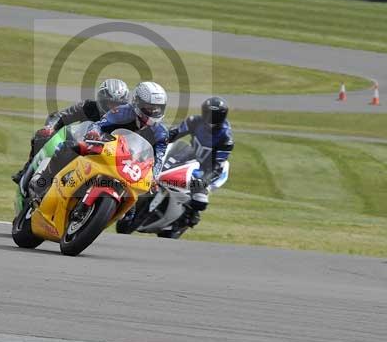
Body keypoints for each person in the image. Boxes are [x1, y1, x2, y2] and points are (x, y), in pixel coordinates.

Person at [28, 81, 170, 201]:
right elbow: (99, 124)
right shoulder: (123, 112)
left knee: (134, 200)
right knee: (67, 148)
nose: (153, 112)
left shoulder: (161, 133)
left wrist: (154, 177)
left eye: (158, 109)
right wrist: (94, 134)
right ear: (137, 103)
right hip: (102, 148)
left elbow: (159, 158)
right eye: (149, 107)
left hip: (127, 163)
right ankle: (42, 183)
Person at [12, 79, 130, 184]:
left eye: (118, 105)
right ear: (101, 100)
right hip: (77, 145)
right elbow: (61, 116)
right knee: (41, 137)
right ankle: (26, 172)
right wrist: (50, 127)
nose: (113, 108)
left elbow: (135, 142)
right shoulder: (88, 107)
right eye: (110, 103)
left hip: (104, 157)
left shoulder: (127, 120)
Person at [167, 96, 234, 230]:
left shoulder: (226, 138)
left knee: (199, 196)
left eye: (214, 116)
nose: (210, 118)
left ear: (222, 117)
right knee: (165, 165)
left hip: (212, 168)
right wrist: (161, 138)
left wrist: (203, 181)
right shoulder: (194, 121)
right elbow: (174, 133)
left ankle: (192, 214)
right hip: (192, 156)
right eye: (207, 114)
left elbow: (218, 167)